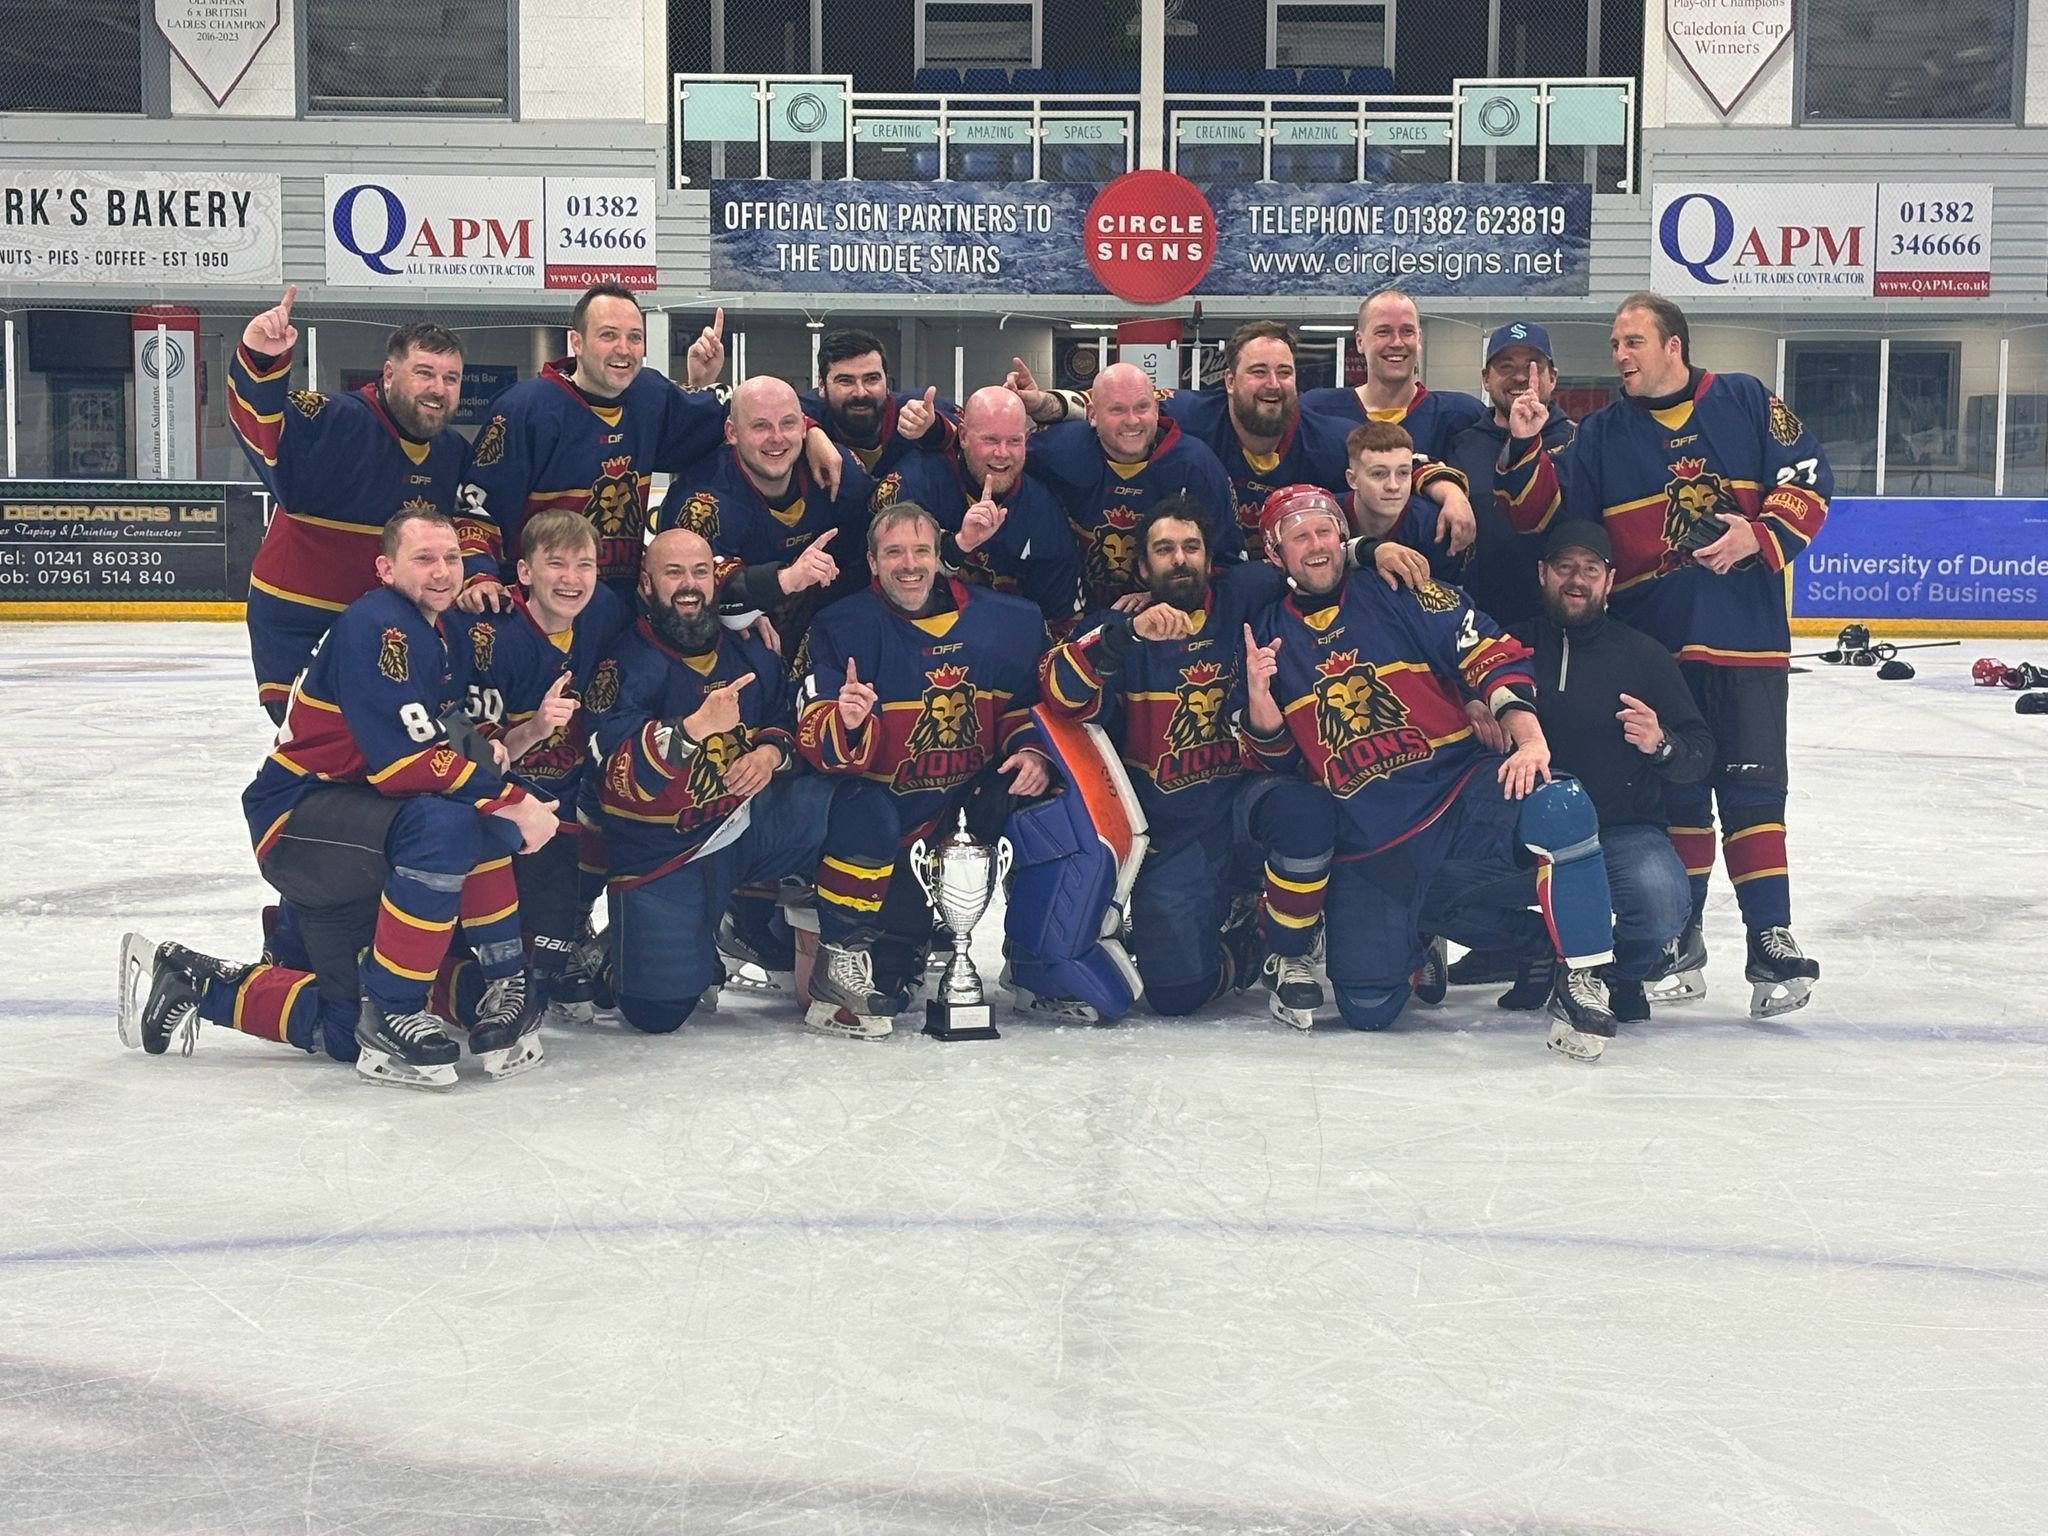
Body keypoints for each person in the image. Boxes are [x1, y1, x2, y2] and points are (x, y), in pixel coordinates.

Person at [118, 509, 562, 1089]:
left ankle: (198, 982)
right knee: (454, 822)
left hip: (358, 828)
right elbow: (404, 763)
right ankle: (400, 1008)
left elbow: (439, 726)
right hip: (300, 824)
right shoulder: (382, 625)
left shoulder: (437, 627)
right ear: (385, 567)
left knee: (340, 1028)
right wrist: (507, 797)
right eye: (423, 558)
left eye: (451, 558)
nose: (442, 571)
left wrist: (492, 756)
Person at [1495, 291, 1832, 1017]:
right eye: (1616, 344)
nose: (1619, 356)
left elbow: (1808, 473)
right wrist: (1525, 447)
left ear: (1672, 345)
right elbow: (1547, 522)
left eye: (1632, 343)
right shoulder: (1602, 434)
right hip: (1658, 651)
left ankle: (1769, 935)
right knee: (1677, 792)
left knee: (1752, 793)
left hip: (1748, 645)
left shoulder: (1743, 399)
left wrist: (1761, 534)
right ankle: (1682, 935)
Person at [1241, 485, 1620, 1056]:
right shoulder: (1262, 633)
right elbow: (1275, 762)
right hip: (1371, 838)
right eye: (1300, 536)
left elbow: (1492, 652)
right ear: (1276, 554)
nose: (1316, 545)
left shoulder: (1401, 590)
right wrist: (1263, 711)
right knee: (1368, 1010)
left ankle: (1585, 981)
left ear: (1344, 536)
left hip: (1455, 791)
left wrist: (1530, 741)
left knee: (1559, 803)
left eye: (1325, 531)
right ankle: (1425, 933)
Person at [1038, 496, 1431, 1027]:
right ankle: (1249, 946)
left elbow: (1311, 556)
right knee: (1176, 995)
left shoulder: (1243, 590)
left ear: (1209, 556)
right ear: (1142, 568)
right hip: (1176, 835)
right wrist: (1127, 635)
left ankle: (1293, 937)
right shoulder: (1119, 627)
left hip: (1248, 807)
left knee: (1305, 810)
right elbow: (1056, 691)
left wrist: (1370, 548)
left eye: (1191, 547)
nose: (1180, 559)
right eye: (1164, 550)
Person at [795, 502, 1052, 1038]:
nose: (908, 565)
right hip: (890, 824)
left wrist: (1031, 751)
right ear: (871, 562)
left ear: (941, 558)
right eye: (893, 553)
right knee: (889, 975)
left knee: (1044, 797)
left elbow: (1027, 705)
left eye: (920, 551)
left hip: (967, 807)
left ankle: (1044, 951)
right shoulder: (840, 627)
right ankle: (865, 949)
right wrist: (845, 724)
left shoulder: (1007, 621)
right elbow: (812, 737)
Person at [585, 528, 848, 1035]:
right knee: (657, 1013)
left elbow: (782, 715)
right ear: (646, 583)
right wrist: (692, 729)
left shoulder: (748, 648)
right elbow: (616, 777)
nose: (689, 585)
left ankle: (789, 933)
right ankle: (621, 946)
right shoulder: (625, 664)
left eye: (699, 572)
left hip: (743, 825)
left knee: (851, 803)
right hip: (665, 846)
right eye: (673, 572)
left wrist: (771, 752)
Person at [453, 285, 841, 614]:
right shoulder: (525, 410)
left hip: (620, 607)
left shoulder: (649, 395)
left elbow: (751, 415)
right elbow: (475, 506)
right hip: (540, 607)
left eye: (634, 337)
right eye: (608, 335)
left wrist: (811, 429)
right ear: (576, 342)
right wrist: (479, 574)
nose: (624, 349)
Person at [1469, 520, 1713, 1024]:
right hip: (1518, 840)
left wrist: (1661, 743)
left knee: (1662, 902)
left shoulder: (1643, 656)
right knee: (1432, 891)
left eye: (1590, 569)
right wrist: (1470, 708)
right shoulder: (1507, 650)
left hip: (1617, 835)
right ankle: (1533, 948)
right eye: (1564, 567)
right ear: (1542, 573)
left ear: (1610, 578)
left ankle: (1616, 976)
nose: (1576, 580)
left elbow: (1699, 753)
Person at [228, 286, 469, 721]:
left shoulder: (451, 452)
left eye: (450, 378)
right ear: (389, 376)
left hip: (388, 634)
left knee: (396, 751)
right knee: (323, 749)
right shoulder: (337, 420)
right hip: (299, 629)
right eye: (424, 373)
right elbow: (266, 430)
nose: (438, 388)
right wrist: (261, 360)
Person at [449, 511, 626, 1023]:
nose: (572, 579)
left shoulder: (602, 613)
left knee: (546, 962)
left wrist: (746, 618)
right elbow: (454, 732)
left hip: (563, 811)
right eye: (556, 565)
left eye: (584, 565)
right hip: (493, 812)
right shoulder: (484, 632)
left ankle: (569, 935)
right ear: (524, 573)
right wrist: (531, 732)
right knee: (498, 968)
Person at [652, 374, 874, 662]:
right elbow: (698, 593)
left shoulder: (836, 470)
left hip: (826, 644)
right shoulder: (701, 503)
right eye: (761, 426)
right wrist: (784, 580)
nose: (777, 438)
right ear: (732, 432)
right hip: (738, 657)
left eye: (788, 424)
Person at [1011, 361, 1239, 612]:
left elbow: (1226, 562)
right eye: (1117, 410)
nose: (1132, 421)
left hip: (1168, 613)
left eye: (1142, 407)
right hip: (1078, 613)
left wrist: (1164, 594)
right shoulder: (1056, 450)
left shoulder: (1198, 467)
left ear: (1156, 409)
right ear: (1093, 415)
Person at [874, 386, 1081, 636]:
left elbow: (1056, 618)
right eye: (990, 440)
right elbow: (888, 570)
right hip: (906, 633)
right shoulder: (916, 481)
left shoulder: (1044, 512)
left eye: (1014, 441)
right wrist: (958, 545)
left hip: (997, 644)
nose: (1002, 453)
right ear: (963, 436)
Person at [1445, 321, 1576, 629]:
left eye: (1533, 367)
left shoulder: (1580, 443)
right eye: (1506, 367)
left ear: (1552, 378)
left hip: (1560, 622)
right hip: (1481, 620)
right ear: (1486, 379)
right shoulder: (1461, 444)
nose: (1520, 377)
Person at [799, 327, 954, 475]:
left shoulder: (916, 407)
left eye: (872, 379)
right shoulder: (805, 410)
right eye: (845, 381)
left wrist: (933, 428)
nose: (860, 393)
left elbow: (968, 435)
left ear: (886, 381)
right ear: (821, 384)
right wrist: (811, 431)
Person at [1342, 421, 1469, 584]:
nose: (1393, 486)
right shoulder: (1327, 518)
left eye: (1403, 472)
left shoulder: (1434, 526)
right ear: (1352, 480)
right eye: (1379, 474)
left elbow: (1452, 602)